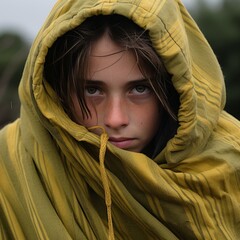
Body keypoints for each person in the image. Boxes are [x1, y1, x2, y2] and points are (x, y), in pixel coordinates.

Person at [0, 0, 239, 239]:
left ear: (175, 90)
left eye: (140, 89)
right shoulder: (10, 167)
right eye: (92, 90)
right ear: (57, 91)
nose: (115, 119)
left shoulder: (228, 165)